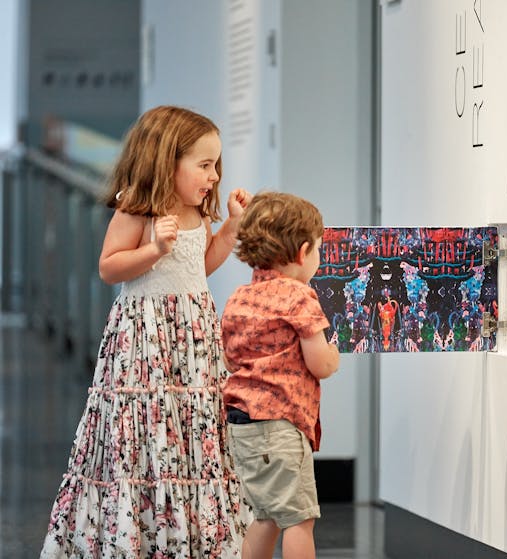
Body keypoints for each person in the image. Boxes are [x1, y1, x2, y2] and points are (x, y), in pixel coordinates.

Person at [40, 105, 252, 557]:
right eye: (204, 165)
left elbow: (202, 264)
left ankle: (188, 537)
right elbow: (109, 267)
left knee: (190, 430)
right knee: (143, 432)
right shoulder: (137, 209)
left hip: (192, 340)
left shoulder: (198, 213)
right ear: (165, 160)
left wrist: (231, 227)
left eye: (216, 165)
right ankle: (138, 531)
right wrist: (154, 248)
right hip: (146, 339)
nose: (213, 176)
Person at [220, 191, 340, 559]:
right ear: (303, 252)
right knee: (299, 520)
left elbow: (229, 359)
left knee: (266, 515)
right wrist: (333, 354)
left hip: (242, 425)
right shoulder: (299, 297)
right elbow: (320, 362)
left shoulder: (240, 297)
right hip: (281, 426)